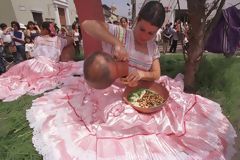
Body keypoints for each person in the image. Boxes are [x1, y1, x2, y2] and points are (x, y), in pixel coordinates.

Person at [25, 2, 236, 160]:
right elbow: (88, 24)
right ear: (136, 22)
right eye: (142, 29)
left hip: (138, 93)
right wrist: (114, 42)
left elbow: (155, 74)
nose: (145, 35)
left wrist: (142, 75)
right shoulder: (121, 33)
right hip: (113, 93)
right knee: (112, 128)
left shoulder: (153, 47)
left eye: (151, 32)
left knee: (167, 125)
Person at [0, 21, 81, 101]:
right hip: (50, 67)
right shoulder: (59, 40)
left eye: (41, 29)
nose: (40, 31)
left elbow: (34, 53)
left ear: (46, 30)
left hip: (36, 64)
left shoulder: (38, 39)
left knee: (16, 73)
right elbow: (70, 39)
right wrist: (60, 36)